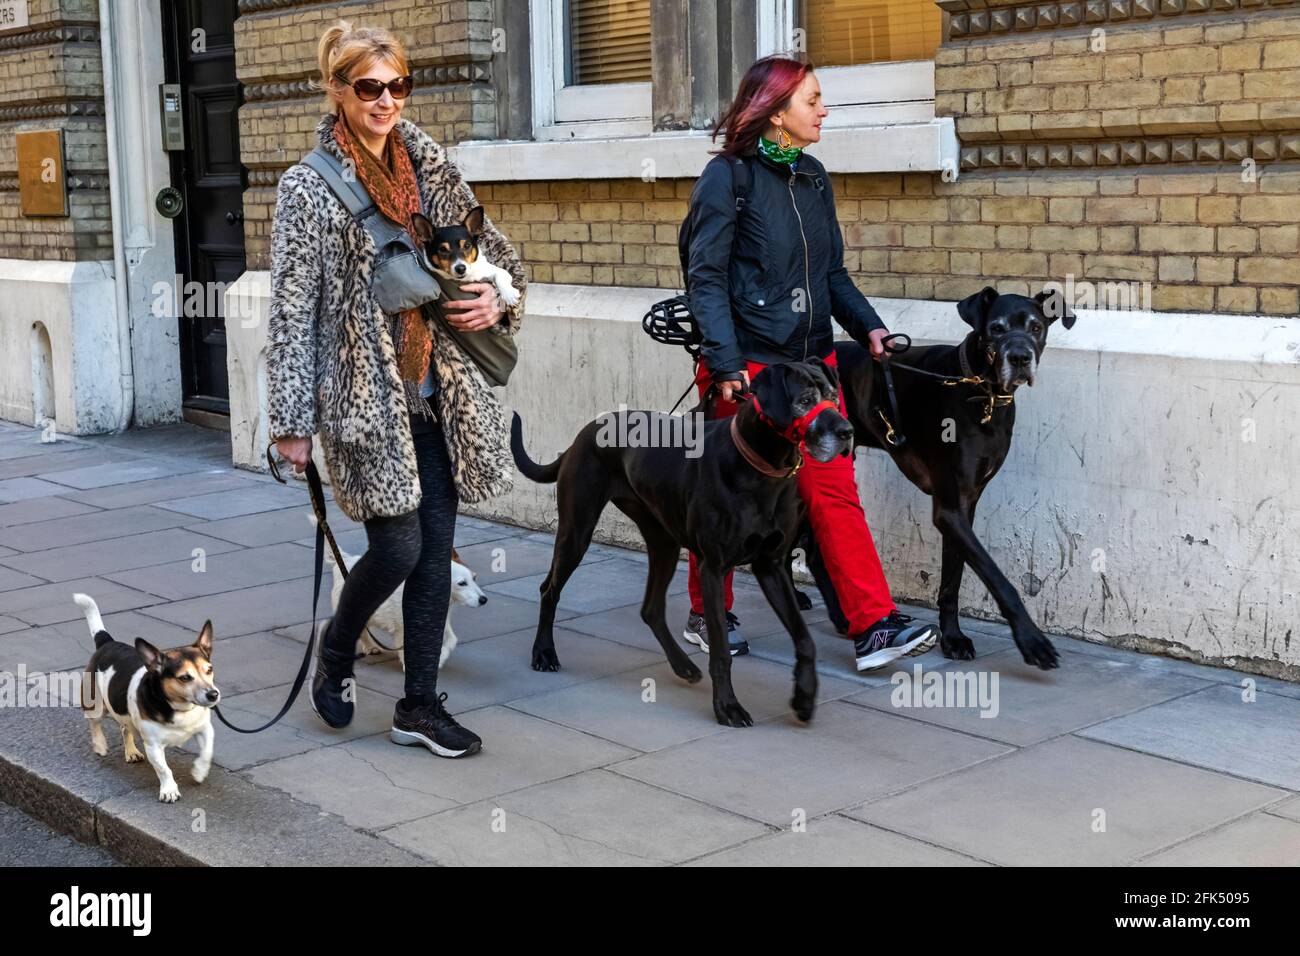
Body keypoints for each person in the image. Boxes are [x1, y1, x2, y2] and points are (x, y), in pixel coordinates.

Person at [265, 21, 526, 756]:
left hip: (438, 389)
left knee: (436, 548)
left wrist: (501, 300)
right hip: (361, 397)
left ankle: (417, 705)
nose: (387, 102)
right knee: (400, 546)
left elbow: (496, 252)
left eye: (398, 86)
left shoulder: (429, 163)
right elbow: (291, 310)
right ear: (337, 89)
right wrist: (289, 420)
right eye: (370, 87)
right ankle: (338, 651)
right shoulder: (306, 188)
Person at [681, 55, 937, 673]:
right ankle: (705, 612)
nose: (824, 110)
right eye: (813, 100)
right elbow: (706, 278)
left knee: (833, 490)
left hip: (813, 369)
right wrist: (725, 362)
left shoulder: (814, 177)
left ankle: (874, 624)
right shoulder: (728, 179)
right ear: (774, 112)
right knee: (727, 494)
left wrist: (869, 327)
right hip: (750, 370)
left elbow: (830, 274)